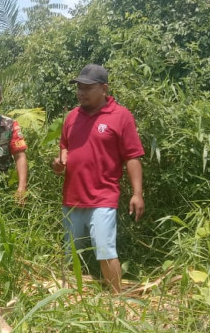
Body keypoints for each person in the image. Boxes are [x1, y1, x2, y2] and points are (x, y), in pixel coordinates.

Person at [52, 64, 145, 292]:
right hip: (71, 198)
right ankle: (71, 298)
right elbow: (65, 147)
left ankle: (117, 299)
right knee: (71, 252)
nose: (81, 92)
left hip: (103, 197)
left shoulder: (121, 116)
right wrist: (58, 163)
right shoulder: (72, 117)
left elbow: (132, 156)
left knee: (105, 250)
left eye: (87, 88)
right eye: (79, 88)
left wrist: (137, 193)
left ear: (104, 89)